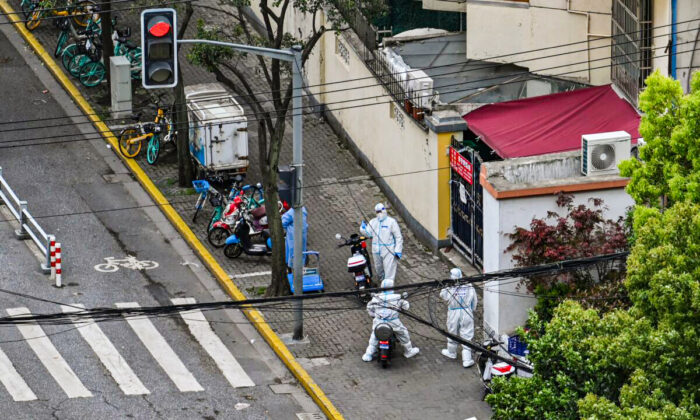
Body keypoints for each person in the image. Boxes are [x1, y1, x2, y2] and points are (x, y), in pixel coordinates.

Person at [362, 278, 419, 362]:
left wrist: (374, 316)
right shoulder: (397, 298)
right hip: (394, 322)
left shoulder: (376, 298)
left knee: (374, 337)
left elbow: (369, 308)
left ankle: (368, 354)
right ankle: (409, 351)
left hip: (379, 322)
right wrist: (404, 300)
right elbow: (406, 307)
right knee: (404, 334)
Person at [439, 268, 477, 368]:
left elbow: (442, 295)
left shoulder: (449, 287)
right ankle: (467, 360)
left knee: (452, 332)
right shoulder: (469, 285)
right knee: (467, 334)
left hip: (453, 311)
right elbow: (474, 300)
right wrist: (471, 310)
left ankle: (452, 352)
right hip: (466, 311)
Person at [359, 203, 403, 281]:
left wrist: (397, 250)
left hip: (388, 250)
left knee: (389, 270)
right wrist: (363, 229)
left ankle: (388, 286)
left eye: (380, 211)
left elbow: (398, 237)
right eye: (377, 212)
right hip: (376, 250)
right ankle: (383, 281)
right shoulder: (373, 222)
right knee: (378, 269)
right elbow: (369, 234)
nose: (379, 214)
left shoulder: (391, 222)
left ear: (384, 210)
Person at [281, 206, 308, 271]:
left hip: (293, 237)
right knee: (301, 252)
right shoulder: (303, 210)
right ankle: (300, 267)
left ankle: (291, 270)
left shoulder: (291, 212)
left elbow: (283, 222)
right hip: (302, 235)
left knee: (291, 253)